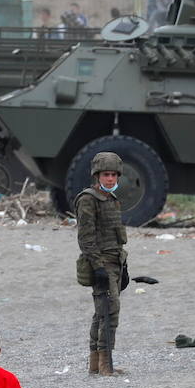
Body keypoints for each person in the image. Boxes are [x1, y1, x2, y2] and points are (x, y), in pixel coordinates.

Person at [75, 151, 127, 375]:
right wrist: (97, 266)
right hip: (101, 262)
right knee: (109, 310)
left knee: (102, 312)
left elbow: (114, 235)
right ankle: (105, 364)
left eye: (114, 175)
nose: (111, 179)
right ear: (97, 176)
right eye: (106, 174)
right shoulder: (88, 199)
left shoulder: (111, 199)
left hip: (115, 261)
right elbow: (86, 238)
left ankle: (97, 365)